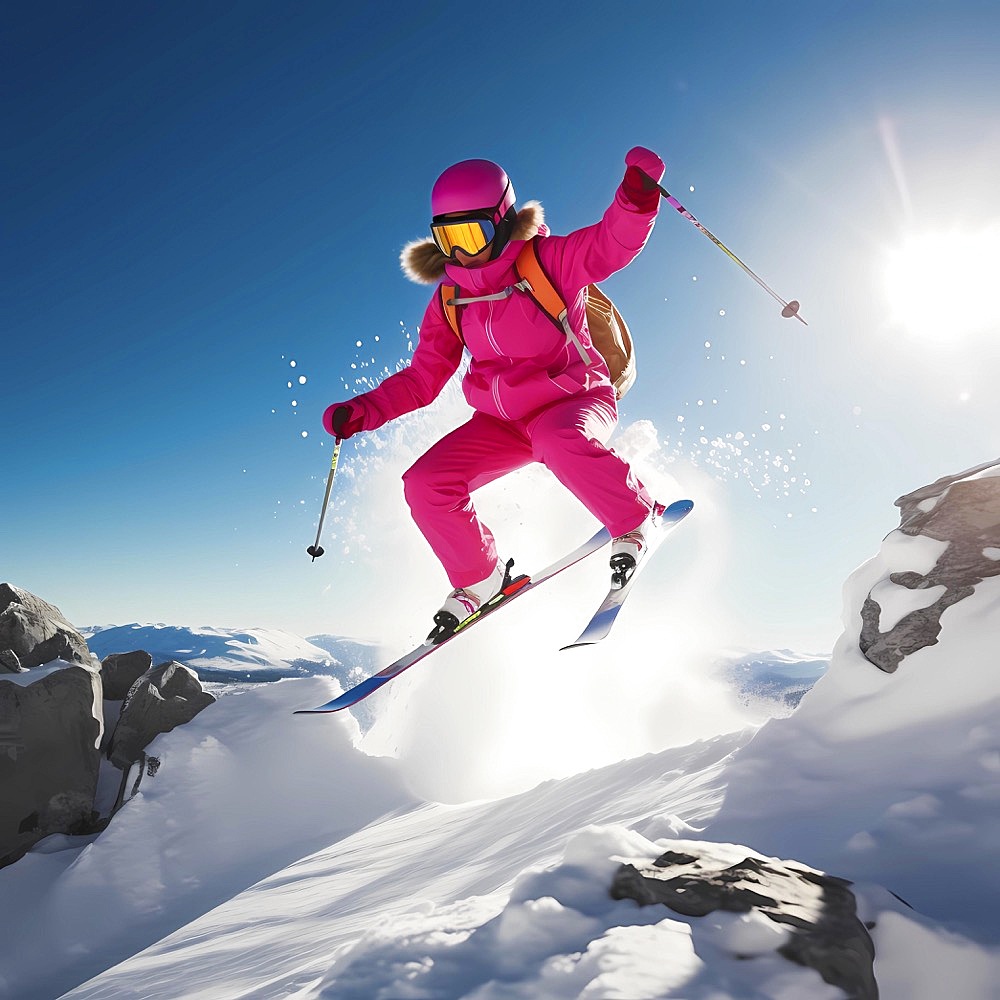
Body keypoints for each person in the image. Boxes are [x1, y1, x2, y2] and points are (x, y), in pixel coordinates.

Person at [324, 146, 667, 641]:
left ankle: (637, 516)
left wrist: (635, 199)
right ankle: (479, 578)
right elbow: (423, 378)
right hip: (502, 424)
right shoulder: (450, 298)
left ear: (503, 221)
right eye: (449, 238)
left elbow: (608, 246)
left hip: (574, 399)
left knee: (557, 440)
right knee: (425, 483)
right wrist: (363, 411)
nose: (462, 252)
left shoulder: (547, 262)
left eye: (473, 234)